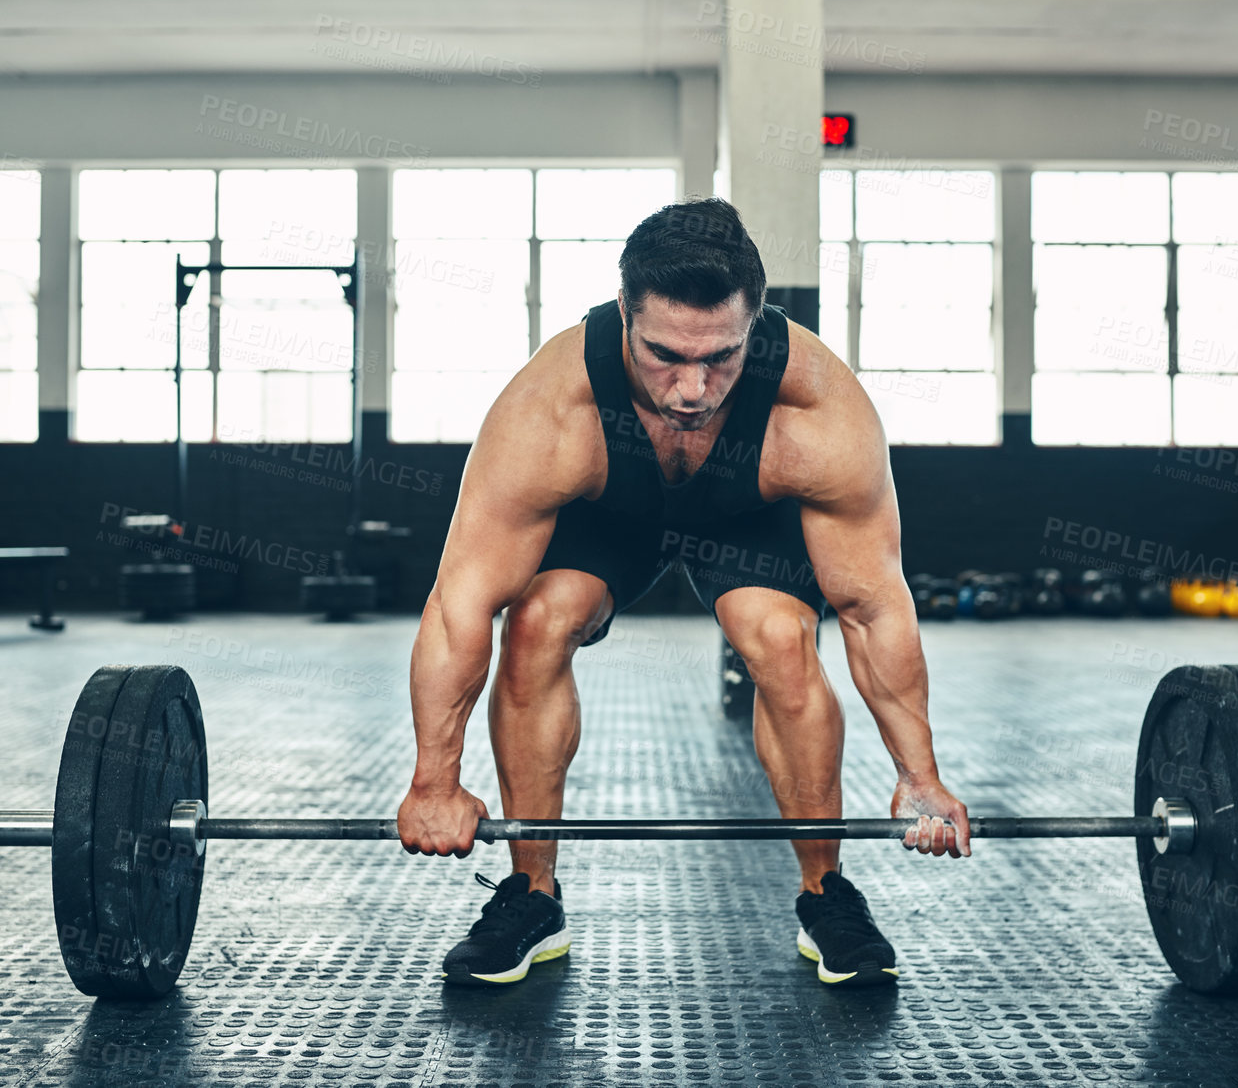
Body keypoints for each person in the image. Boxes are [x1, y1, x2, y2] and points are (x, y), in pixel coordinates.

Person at [396, 197, 969, 987]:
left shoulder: (819, 413)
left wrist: (919, 774)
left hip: (743, 517)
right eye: (665, 354)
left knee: (779, 639)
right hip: (608, 514)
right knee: (535, 621)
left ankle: (826, 892)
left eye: (722, 357)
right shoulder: (551, 409)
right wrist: (434, 780)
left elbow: (871, 607)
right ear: (625, 313)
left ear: (755, 322)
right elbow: (459, 600)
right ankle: (530, 896)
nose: (693, 387)